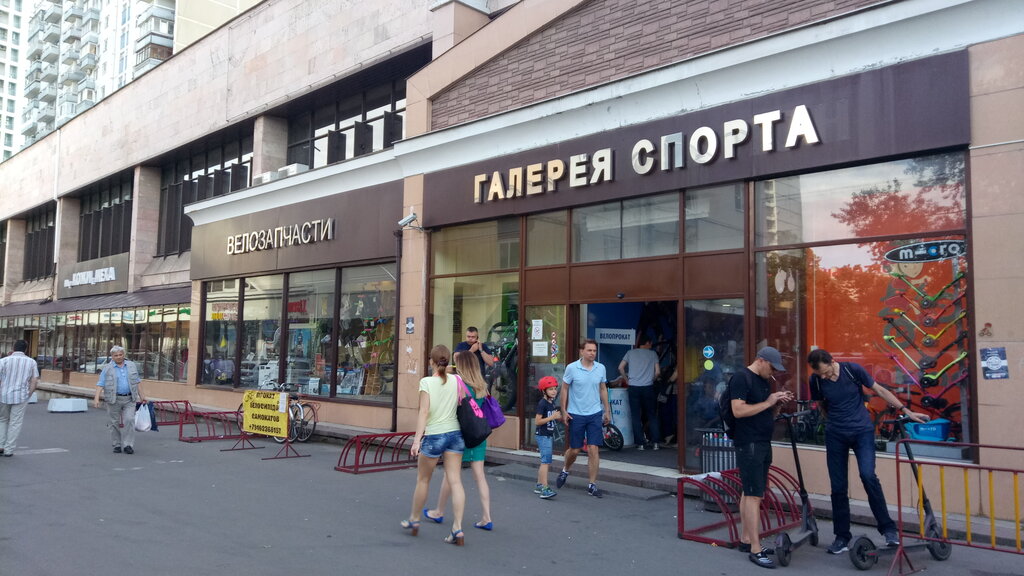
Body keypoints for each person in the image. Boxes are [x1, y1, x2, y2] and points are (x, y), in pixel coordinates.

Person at [807, 348, 928, 554]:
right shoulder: (816, 380)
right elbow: (821, 404)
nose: (824, 377)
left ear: (833, 361)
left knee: (868, 475)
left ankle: (888, 530)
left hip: (861, 431)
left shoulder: (852, 370)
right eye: (820, 374)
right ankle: (842, 537)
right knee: (838, 486)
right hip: (835, 435)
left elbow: (880, 390)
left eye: (826, 372)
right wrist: (834, 422)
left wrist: (905, 410)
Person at [731, 346, 792, 569]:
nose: (773, 372)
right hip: (749, 442)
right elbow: (738, 410)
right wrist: (768, 401)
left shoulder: (764, 381)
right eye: (772, 367)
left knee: (751, 491)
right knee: (754, 495)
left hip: (762, 440)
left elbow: (764, 412)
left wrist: (776, 405)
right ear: (761, 360)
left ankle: (746, 540)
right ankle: (756, 549)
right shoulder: (741, 378)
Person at [403, 345, 467, 546]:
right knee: (455, 481)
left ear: (431, 361)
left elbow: (424, 412)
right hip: (455, 434)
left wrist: (416, 440)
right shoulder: (457, 380)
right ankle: (457, 528)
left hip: (434, 435)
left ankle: (414, 520)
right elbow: (462, 403)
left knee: (423, 480)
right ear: (448, 361)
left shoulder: (427, 382)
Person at [424, 351, 494, 530]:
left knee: (451, 475)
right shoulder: (482, 385)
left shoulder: (459, 384)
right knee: (480, 476)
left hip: (461, 434)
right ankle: (487, 517)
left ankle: (439, 511)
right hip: (478, 434)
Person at [556, 339, 611, 498]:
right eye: (589, 350)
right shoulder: (572, 368)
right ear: (581, 351)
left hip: (594, 413)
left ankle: (592, 485)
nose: (592, 353)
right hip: (576, 414)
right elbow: (564, 389)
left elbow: (603, 389)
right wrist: (563, 410)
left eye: (594, 351)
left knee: (594, 449)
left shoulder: (601, 368)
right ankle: (565, 469)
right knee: (575, 449)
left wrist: (607, 410)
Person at [92, 346, 146, 454]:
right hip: (114, 399)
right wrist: (96, 399)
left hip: (129, 398)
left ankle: (128, 445)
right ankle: (116, 444)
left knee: (129, 420)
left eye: (120, 354)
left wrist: (143, 396)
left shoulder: (131, 366)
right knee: (114, 422)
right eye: (116, 355)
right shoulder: (107, 368)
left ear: (123, 354)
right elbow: (100, 384)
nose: (118, 357)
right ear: (112, 356)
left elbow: (137, 382)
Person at [618, 335, 661, 450]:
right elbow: (657, 372)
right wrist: (652, 380)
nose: (651, 345)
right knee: (652, 415)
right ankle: (656, 443)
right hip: (648, 387)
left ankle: (640, 444)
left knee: (635, 415)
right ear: (646, 343)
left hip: (634, 387)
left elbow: (620, 367)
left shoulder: (630, 353)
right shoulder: (653, 354)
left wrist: (626, 380)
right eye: (650, 343)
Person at [0, 340, 40, 457]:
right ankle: (9, 449)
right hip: (21, 396)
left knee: (2, 419)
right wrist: (29, 394)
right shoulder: (31, 362)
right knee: (15, 422)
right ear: (26, 349)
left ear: (13, 348)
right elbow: (34, 380)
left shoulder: (3, 361)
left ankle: (1, 445)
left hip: (4, 395)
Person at [533, 375, 561, 499]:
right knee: (546, 462)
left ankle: (539, 485)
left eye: (555, 388)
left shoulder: (551, 402)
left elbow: (551, 417)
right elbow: (537, 421)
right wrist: (552, 417)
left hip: (547, 435)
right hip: (543, 435)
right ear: (544, 391)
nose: (554, 391)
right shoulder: (542, 403)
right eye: (550, 389)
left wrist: (557, 417)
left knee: (544, 461)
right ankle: (545, 488)